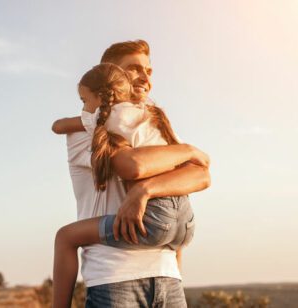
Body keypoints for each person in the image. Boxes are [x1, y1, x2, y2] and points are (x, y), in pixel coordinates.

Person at [52, 40, 211, 308]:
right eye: (134, 68)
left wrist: (145, 189)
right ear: (112, 75)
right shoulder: (89, 131)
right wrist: (186, 153)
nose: (145, 77)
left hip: (167, 279)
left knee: (66, 236)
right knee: (66, 236)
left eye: (148, 71)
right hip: (115, 279)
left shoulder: (157, 125)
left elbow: (201, 177)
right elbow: (134, 165)